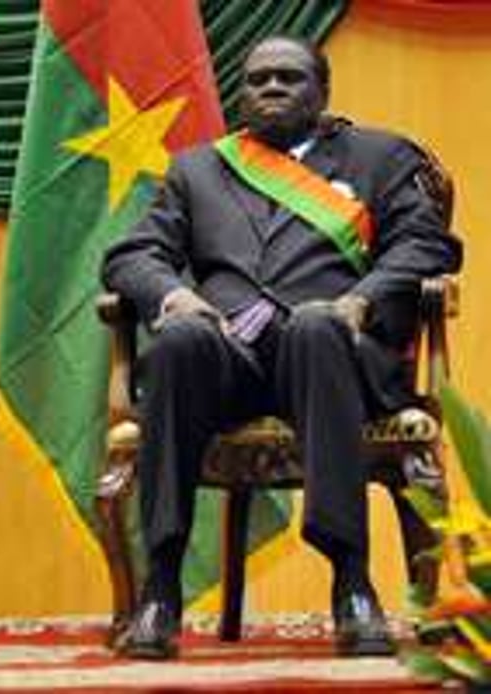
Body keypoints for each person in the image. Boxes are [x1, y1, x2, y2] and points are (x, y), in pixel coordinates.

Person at [101, 35, 461, 660]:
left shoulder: (380, 158)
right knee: (181, 341)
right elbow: (133, 254)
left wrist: (362, 299)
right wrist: (174, 297)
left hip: (335, 354)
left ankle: (352, 582)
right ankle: (160, 590)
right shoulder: (198, 170)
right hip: (231, 356)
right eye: (258, 79)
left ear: (322, 93)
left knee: (315, 328)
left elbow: (426, 246)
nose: (270, 88)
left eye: (288, 78)